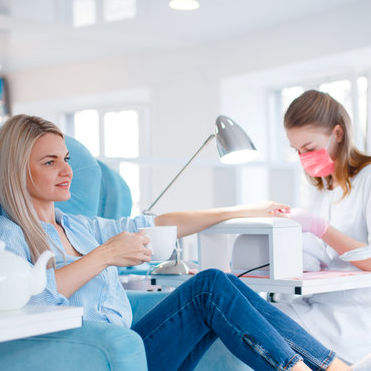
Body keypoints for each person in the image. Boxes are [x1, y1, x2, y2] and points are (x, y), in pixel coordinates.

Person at [0, 114, 365, 371]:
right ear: (17, 169)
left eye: (65, 160)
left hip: (131, 344)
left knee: (216, 284)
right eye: (50, 162)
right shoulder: (11, 234)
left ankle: (330, 367)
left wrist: (240, 209)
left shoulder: (79, 226)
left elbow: (156, 223)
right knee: (209, 287)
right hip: (87, 355)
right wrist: (106, 255)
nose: (67, 171)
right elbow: (32, 300)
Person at [278, 90, 371, 367]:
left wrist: (320, 228)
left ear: (338, 134)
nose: (303, 157)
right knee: (253, 318)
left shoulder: (367, 179)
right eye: (297, 151)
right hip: (317, 306)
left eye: (308, 148)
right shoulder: (321, 189)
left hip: (355, 318)